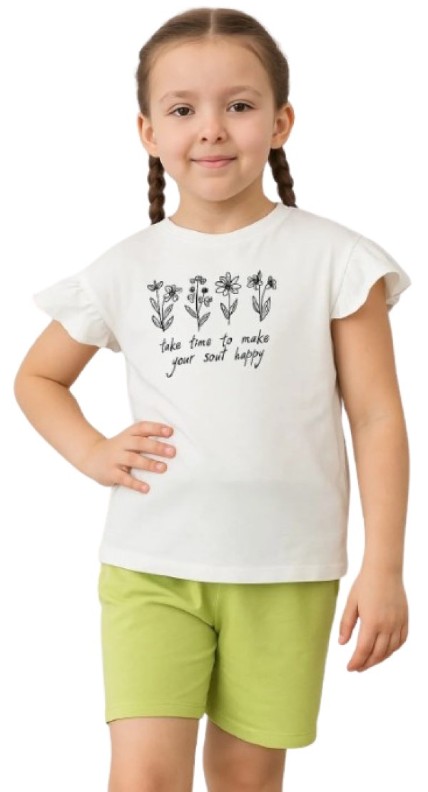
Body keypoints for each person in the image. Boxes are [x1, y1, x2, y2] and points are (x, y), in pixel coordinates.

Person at [14, 7, 411, 792]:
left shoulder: (336, 259)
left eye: (239, 104)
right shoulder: (124, 268)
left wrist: (386, 567)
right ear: (147, 131)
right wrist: (93, 451)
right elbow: (37, 378)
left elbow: (376, 417)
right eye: (182, 109)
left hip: (287, 569)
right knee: (143, 779)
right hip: (151, 564)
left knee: (245, 779)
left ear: (280, 120)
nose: (212, 130)